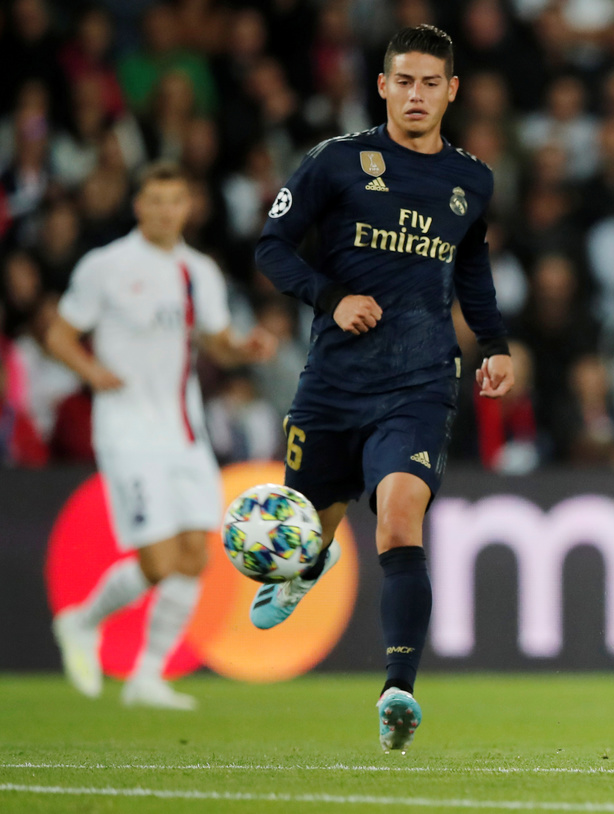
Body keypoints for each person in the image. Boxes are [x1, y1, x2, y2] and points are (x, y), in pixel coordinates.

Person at [251, 25, 513, 754]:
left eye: (430, 83)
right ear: (382, 86)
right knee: (310, 527)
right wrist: (331, 296)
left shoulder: (472, 180)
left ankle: (398, 690)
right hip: (334, 382)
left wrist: (494, 343)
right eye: (404, 81)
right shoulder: (335, 161)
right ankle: (310, 560)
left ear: (452, 91)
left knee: (400, 518)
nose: (416, 95)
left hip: (420, 382)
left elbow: (469, 265)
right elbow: (271, 247)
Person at [46, 160, 276, 710]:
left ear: (188, 206)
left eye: (175, 201)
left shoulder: (200, 271)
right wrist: (92, 372)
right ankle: (82, 621)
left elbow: (216, 342)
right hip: (126, 429)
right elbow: (59, 334)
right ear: (139, 206)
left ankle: (147, 677)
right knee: (156, 562)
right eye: (156, 200)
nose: (166, 211)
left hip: (184, 430)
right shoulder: (106, 266)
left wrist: (243, 349)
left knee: (195, 555)